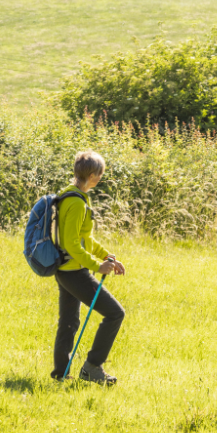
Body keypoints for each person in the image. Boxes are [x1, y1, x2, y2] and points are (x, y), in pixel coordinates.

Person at [52, 150, 126, 385]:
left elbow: (85, 239)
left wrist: (106, 256)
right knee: (115, 313)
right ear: (93, 175)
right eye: (100, 173)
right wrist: (97, 265)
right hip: (74, 271)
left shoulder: (72, 196)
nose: (101, 177)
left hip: (66, 269)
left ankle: (61, 374)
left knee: (69, 322)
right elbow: (72, 243)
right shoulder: (75, 202)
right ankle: (92, 367)